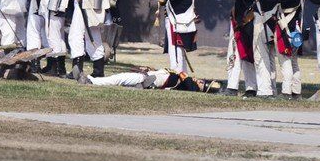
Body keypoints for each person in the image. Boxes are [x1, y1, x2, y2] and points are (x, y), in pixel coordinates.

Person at [259, 0, 308, 100]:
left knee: (285, 62)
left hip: (285, 29)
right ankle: (296, 92)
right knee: (293, 62)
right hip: (293, 29)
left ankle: (286, 92)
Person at [212, 0, 258, 97]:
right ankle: (238, 87)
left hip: (248, 25)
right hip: (241, 25)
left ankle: (248, 88)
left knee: (247, 58)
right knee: (237, 56)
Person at [67, 0, 109, 79]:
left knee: (76, 35)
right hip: (90, 1)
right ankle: (98, 71)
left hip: (86, 1)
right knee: (93, 37)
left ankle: (78, 69)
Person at [78, 66, 220, 93]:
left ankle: (91, 81)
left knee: (119, 78)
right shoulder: (188, 81)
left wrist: (179, 71)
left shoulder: (192, 87)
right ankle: (91, 79)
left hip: (150, 80)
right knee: (119, 78)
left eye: (202, 83)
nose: (199, 80)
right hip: (150, 76)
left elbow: (186, 80)